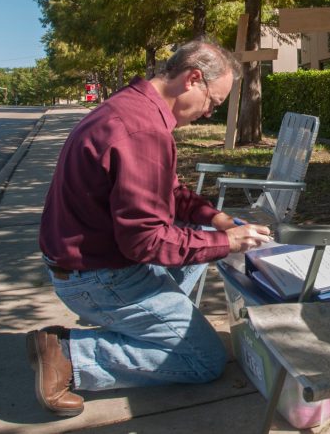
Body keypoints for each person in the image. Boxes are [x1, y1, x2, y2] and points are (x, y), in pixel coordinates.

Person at [29, 40, 272, 416]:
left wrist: (216, 219)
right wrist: (226, 242)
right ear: (193, 79)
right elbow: (145, 241)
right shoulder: (142, 130)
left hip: (90, 262)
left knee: (196, 254)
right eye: (214, 102)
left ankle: (159, 326)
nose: (209, 114)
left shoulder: (133, 107)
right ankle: (70, 355)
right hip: (98, 277)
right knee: (204, 360)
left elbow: (168, 190)